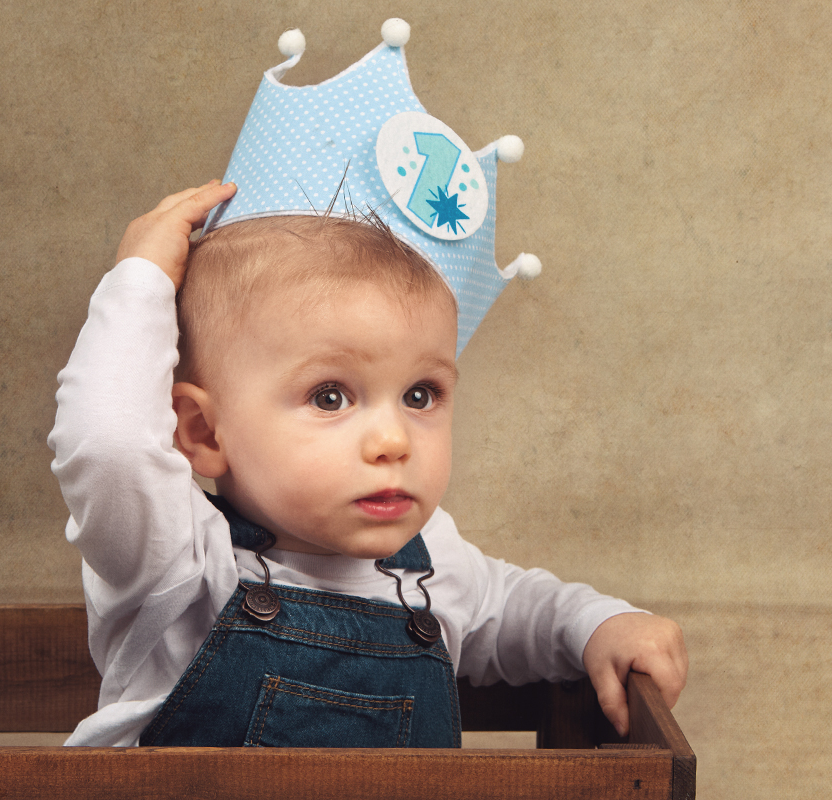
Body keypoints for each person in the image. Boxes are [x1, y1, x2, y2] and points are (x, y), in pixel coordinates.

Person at [47, 181, 687, 747]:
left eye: (420, 395)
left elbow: (525, 609)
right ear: (203, 432)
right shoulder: (178, 559)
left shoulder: (434, 561)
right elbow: (108, 444)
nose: (393, 440)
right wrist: (139, 282)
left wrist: (599, 624)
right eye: (330, 396)